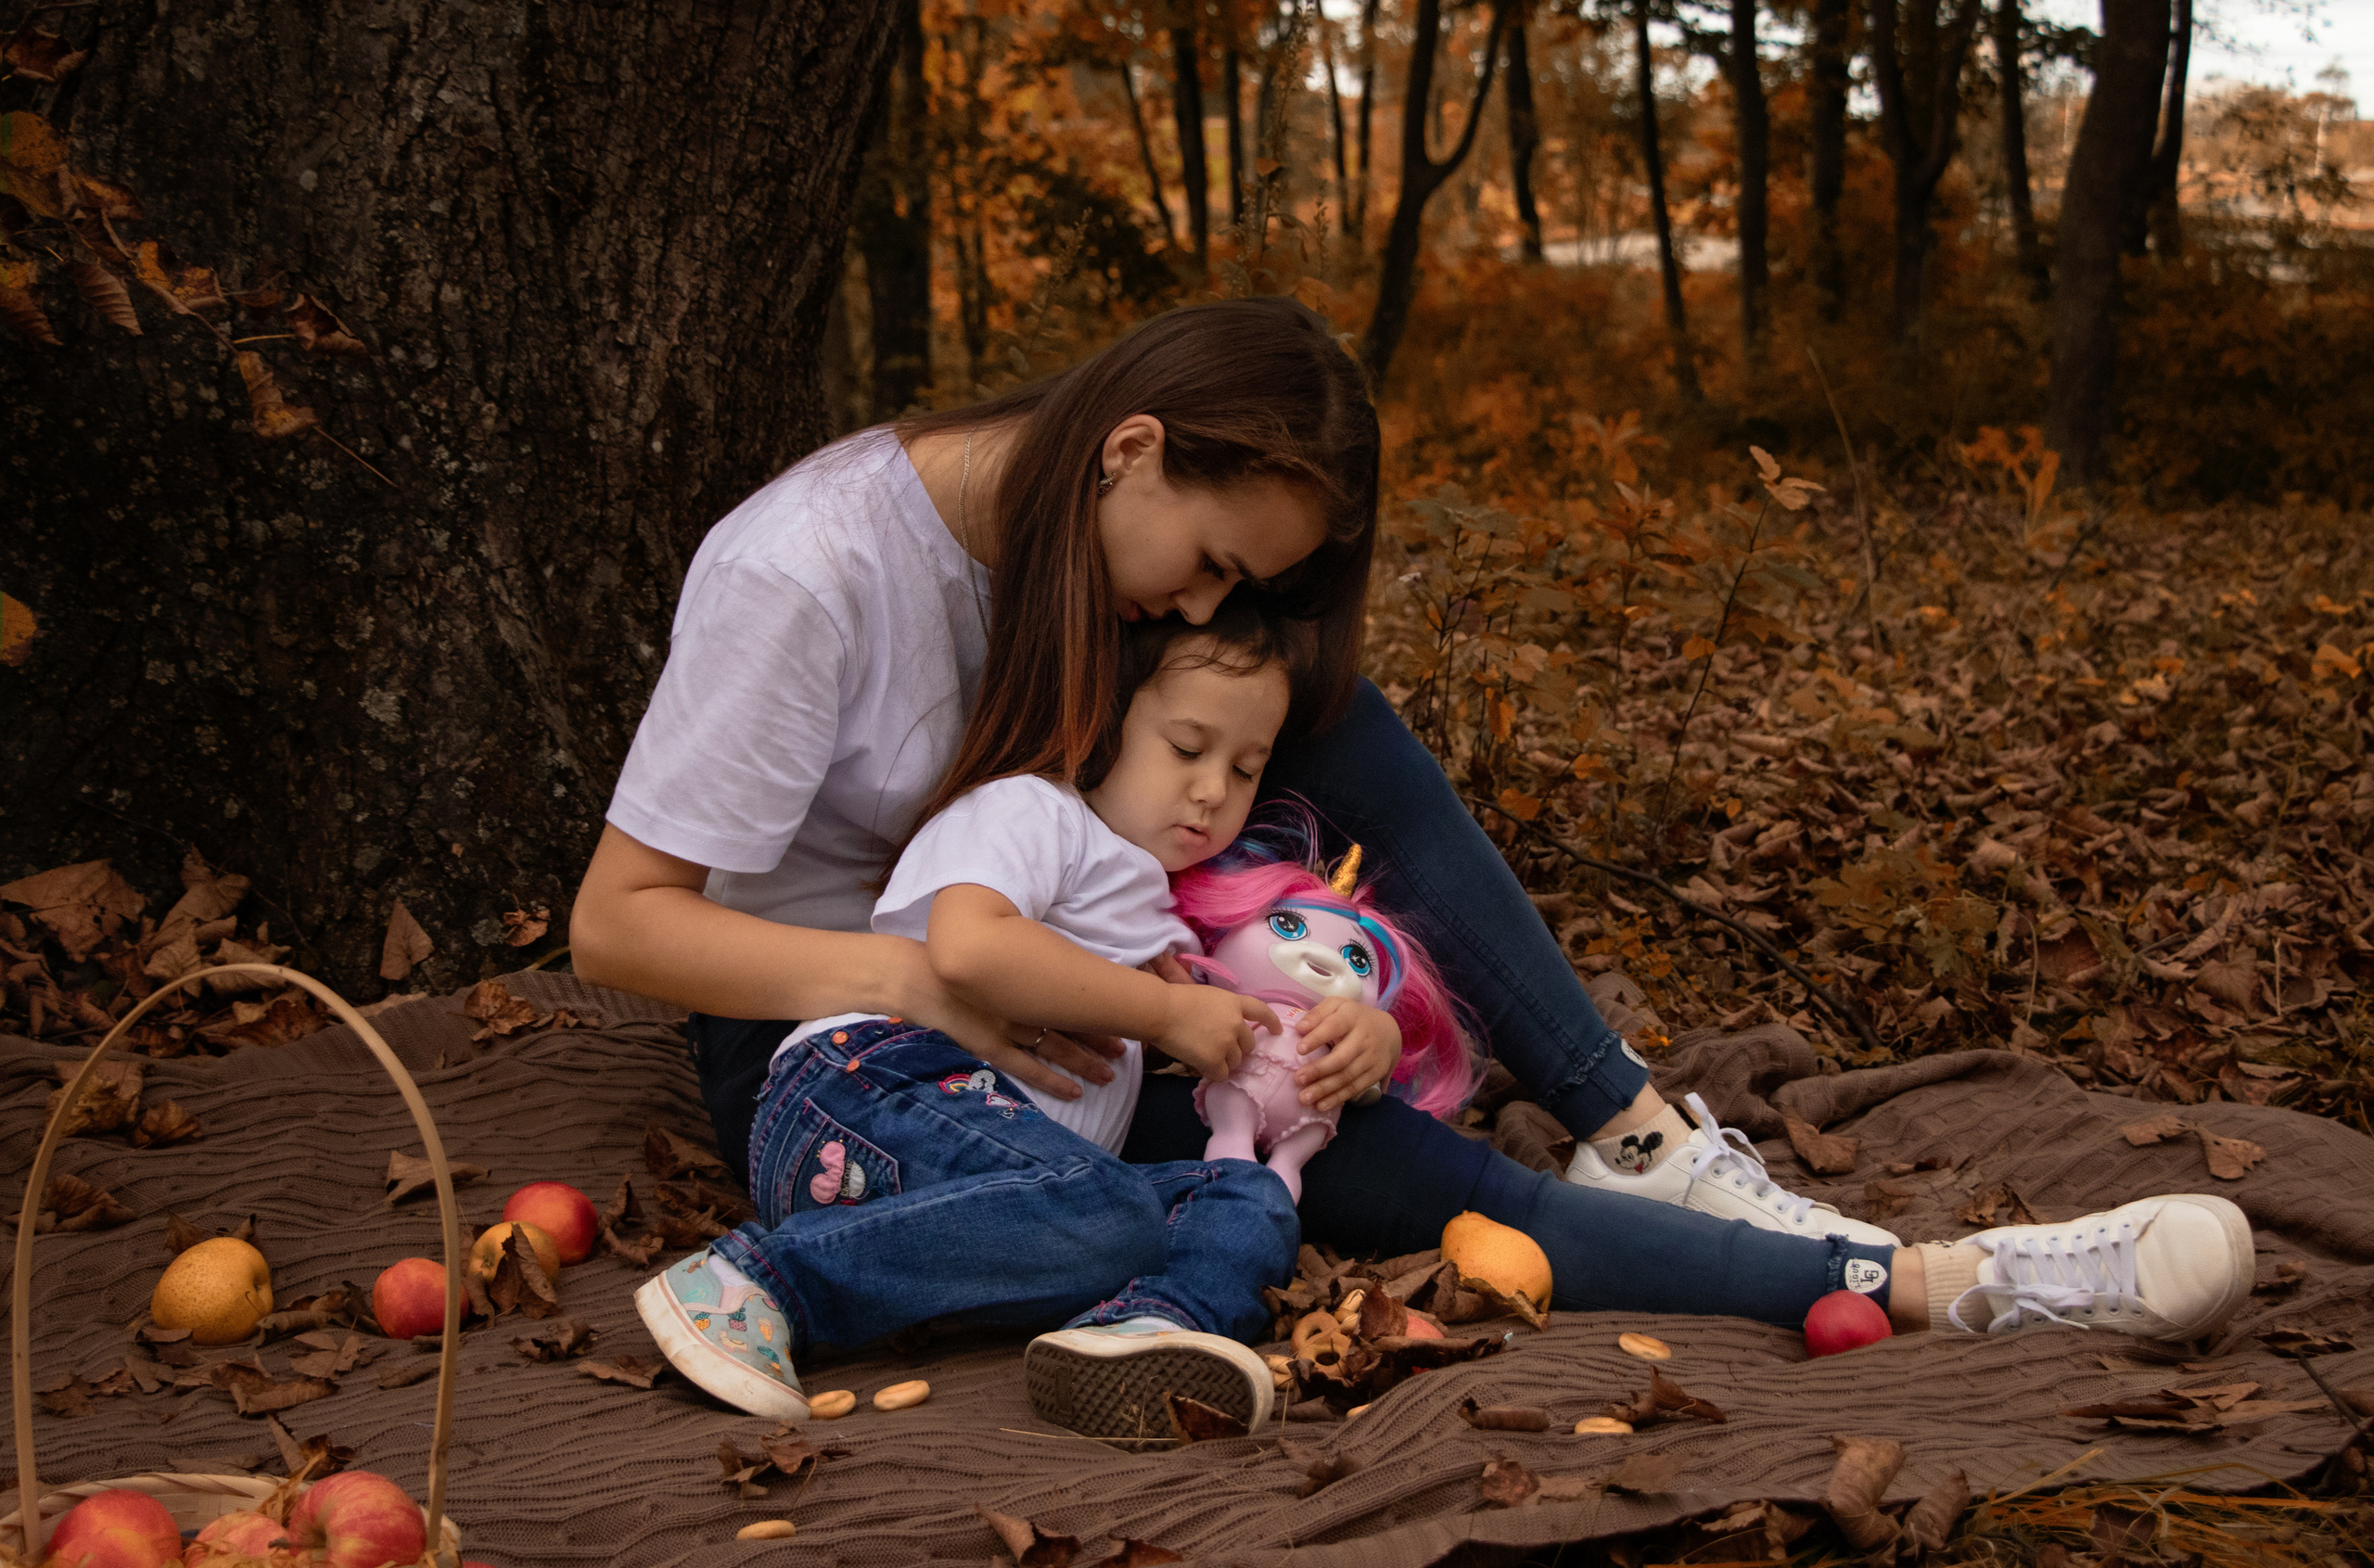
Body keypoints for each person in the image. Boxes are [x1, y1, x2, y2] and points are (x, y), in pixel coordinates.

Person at [573, 299, 2254, 1429]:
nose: (1211, 609)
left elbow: (1133, 871)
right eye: (1218, 561)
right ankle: (1913, 1282)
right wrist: (942, 978)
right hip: (843, 1032)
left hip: (1073, 988)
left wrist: (1317, 1000)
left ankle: (1661, 1141)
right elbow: (620, 929)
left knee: (1331, 817)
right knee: (1382, 1177)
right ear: (1133, 448)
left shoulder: (1119, 567)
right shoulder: (809, 570)